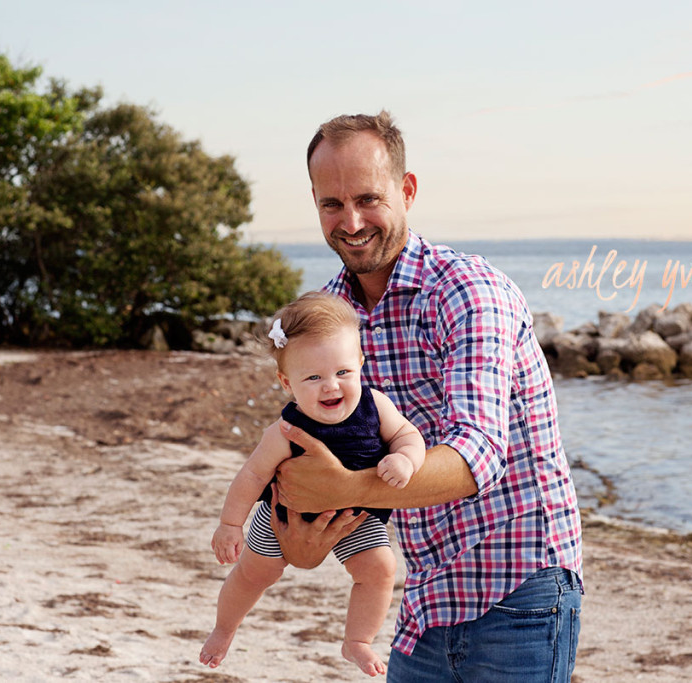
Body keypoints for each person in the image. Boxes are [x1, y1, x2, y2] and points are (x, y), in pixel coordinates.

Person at [268, 111, 584, 682]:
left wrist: (345, 486)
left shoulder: (467, 291)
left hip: (521, 591)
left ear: (407, 190)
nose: (352, 220)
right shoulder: (331, 320)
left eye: (369, 198)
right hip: (424, 600)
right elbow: (317, 487)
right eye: (331, 204)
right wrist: (303, 538)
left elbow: (477, 453)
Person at [199, 291, 426, 676]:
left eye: (342, 373)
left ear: (360, 364)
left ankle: (357, 640)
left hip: (356, 516)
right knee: (256, 574)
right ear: (287, 382)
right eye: (314, 377)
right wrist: (230, 523)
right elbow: (252, 475)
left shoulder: (377, 406)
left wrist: (404, 458)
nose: (331, 386)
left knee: (381, 569)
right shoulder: (285, 430)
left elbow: (409, 435)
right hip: (284, 514)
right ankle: (223, 629)